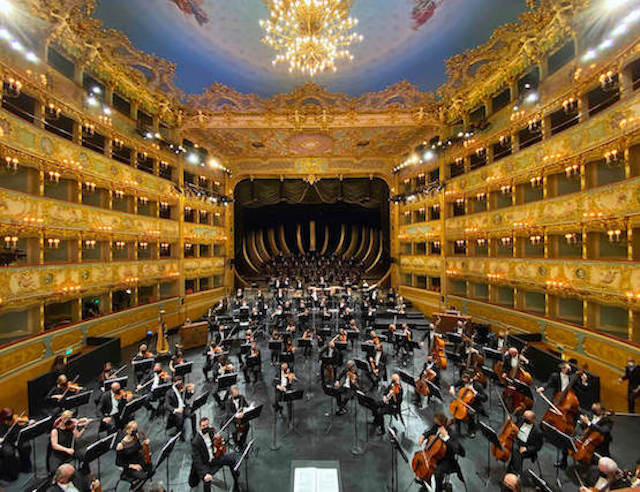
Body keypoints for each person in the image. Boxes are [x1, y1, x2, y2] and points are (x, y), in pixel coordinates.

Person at [189, 417, 240, 492]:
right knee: (207, 480)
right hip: (205, 463)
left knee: (232, 460)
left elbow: (213, 440)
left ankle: (236, 484)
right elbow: (197, 460)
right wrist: (205, 474)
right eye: (203, 426)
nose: (206, 427)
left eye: (207, 425)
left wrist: (215, 437)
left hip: (214, 458)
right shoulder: (196, 442)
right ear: (200, 427)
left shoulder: (210, 431)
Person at [418, 412, 465, 492]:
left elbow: (460, 451)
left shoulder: (451, 434)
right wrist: (423, 436)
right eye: (436, 423)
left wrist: (446, 438)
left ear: (442, 423)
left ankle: (438, 489)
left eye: (438, 424)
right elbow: (430, 431)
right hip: (436, 456)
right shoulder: (437, 427)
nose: (436, 425)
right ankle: (425, 479)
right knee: (419, 458)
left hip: (447, 459)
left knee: (438, 474)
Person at [448, 370, 487, 438]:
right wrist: (452, 388)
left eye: (465, 379)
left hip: (474, 403)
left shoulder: (478, 386)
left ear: (469, 379)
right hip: (462, 401)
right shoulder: (464, 380)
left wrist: (474, 392)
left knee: (470, 413)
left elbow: (485, 398)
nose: (463, 380)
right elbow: (454, 384)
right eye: (463, 379)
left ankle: (471, 430)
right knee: (457, 409)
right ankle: (457, 425)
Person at [507, 410, 543, 475]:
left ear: (533, 420)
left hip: (526, 447)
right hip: (517, 441)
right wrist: (509, 421)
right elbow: (514, 426)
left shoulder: (538, 431)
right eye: (524, 418)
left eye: (527, 420)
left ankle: (516, 472)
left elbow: (538, 447)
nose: (525, 420)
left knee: (516, 451)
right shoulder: (522, 420)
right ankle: (514, 471)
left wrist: (526, 449)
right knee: (514, 448)